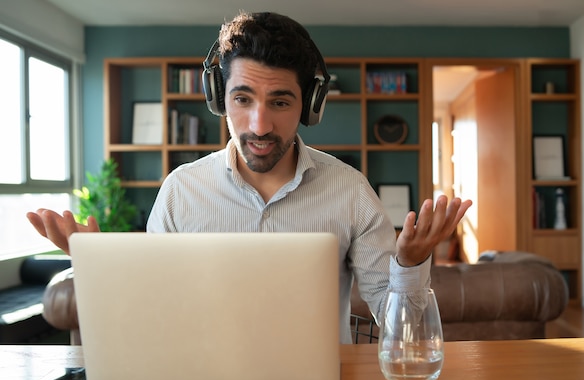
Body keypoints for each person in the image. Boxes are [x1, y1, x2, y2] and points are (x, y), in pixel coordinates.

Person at [27, 11, 471, 344]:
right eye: (243, 98)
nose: (259, 125)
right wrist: (95, 267)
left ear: (310, 107)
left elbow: (402, 331)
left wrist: (409, 264)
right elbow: (151, 318)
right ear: (220, 99)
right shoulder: (181, 193)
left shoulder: (351, 191)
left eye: (280, 102)